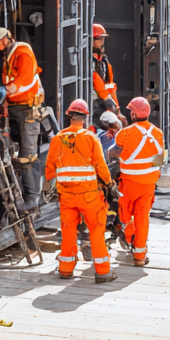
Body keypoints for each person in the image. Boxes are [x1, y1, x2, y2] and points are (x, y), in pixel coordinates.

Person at [45, 99, 116, 283]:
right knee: (96, 230)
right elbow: (101, 165)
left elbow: (49, 171)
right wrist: (109, 185)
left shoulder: (57, 139)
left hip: (67, 196)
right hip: (90, 195)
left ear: (69, 116)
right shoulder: (90, 138)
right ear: (85, 118)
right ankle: (102, 272)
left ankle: (66, 269)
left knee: (68, 231)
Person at [0, 26, 44, 209]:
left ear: (5, 39)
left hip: (28, 109)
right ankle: (24, 195)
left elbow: (25, 80)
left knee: (28, 156)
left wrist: (6, 90)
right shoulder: (10, 55)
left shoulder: (23, 52)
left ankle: (32, 199)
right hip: (16, 108)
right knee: (15, 153)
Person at [113, 97, 164, 267]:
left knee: (126, 215)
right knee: (143, 217)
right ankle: (140, 256)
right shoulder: (158, 133)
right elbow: (159, 161)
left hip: (129, 183)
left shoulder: (124, 133)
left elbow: (115, 152)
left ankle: (129, 238)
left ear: (133, 114)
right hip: (148, 184)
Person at [91, 23, 119, 120]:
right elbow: (95, 78)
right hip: (93, 104)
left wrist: (117, 110)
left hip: (104, 102)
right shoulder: (88, 61)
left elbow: (110, 84)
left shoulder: (104, 62)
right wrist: (106, 98)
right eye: (100, 39)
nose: (103, 42)